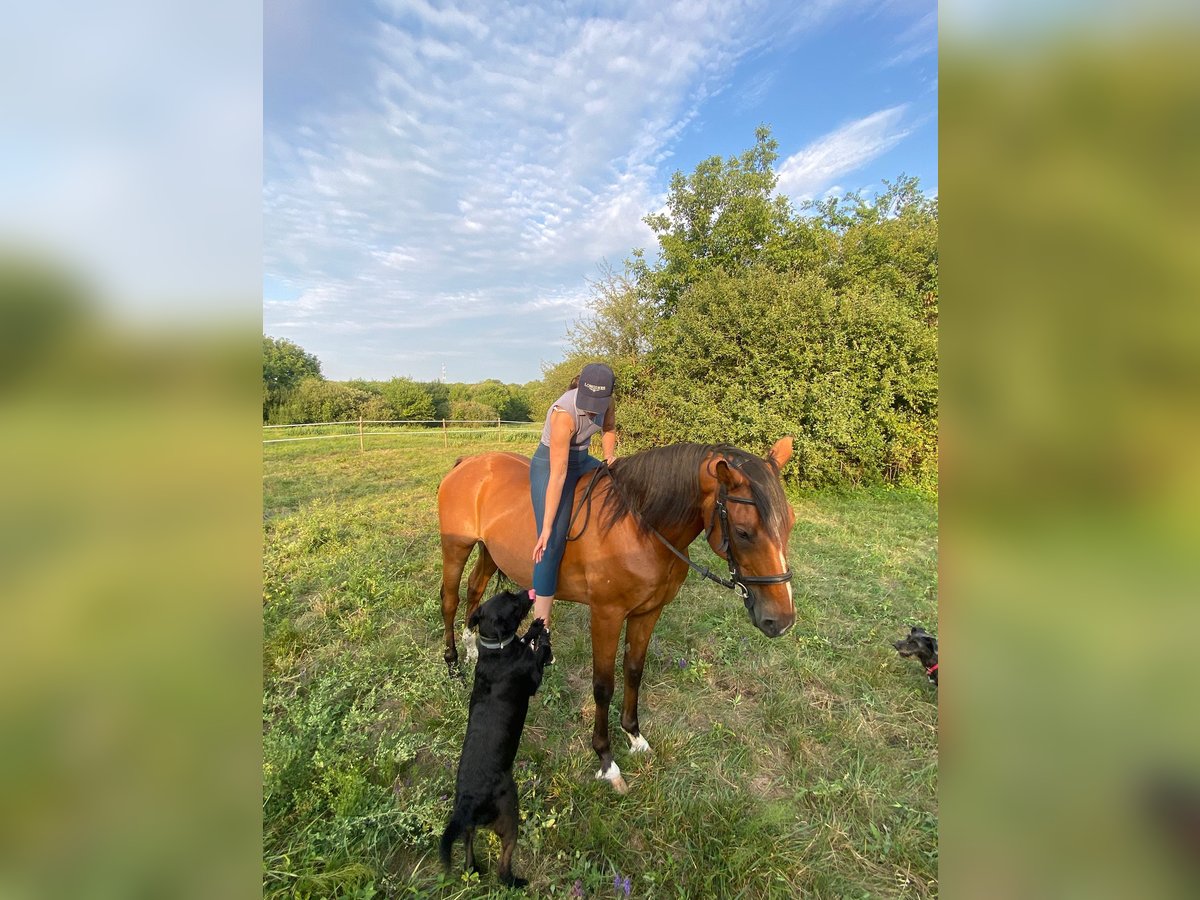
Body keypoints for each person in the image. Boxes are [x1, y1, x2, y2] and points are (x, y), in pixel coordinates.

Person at [529, 362, 617, 658]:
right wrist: (547, 528)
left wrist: (609, 457)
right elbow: (559, 474)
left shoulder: (608, 402)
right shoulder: (563, 413)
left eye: (598, 404)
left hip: (583, 459)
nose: (593, 410)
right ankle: (540, 632)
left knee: (620, 485)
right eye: (588, 403)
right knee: (550, 544)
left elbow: (608, 428)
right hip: (551, 464)